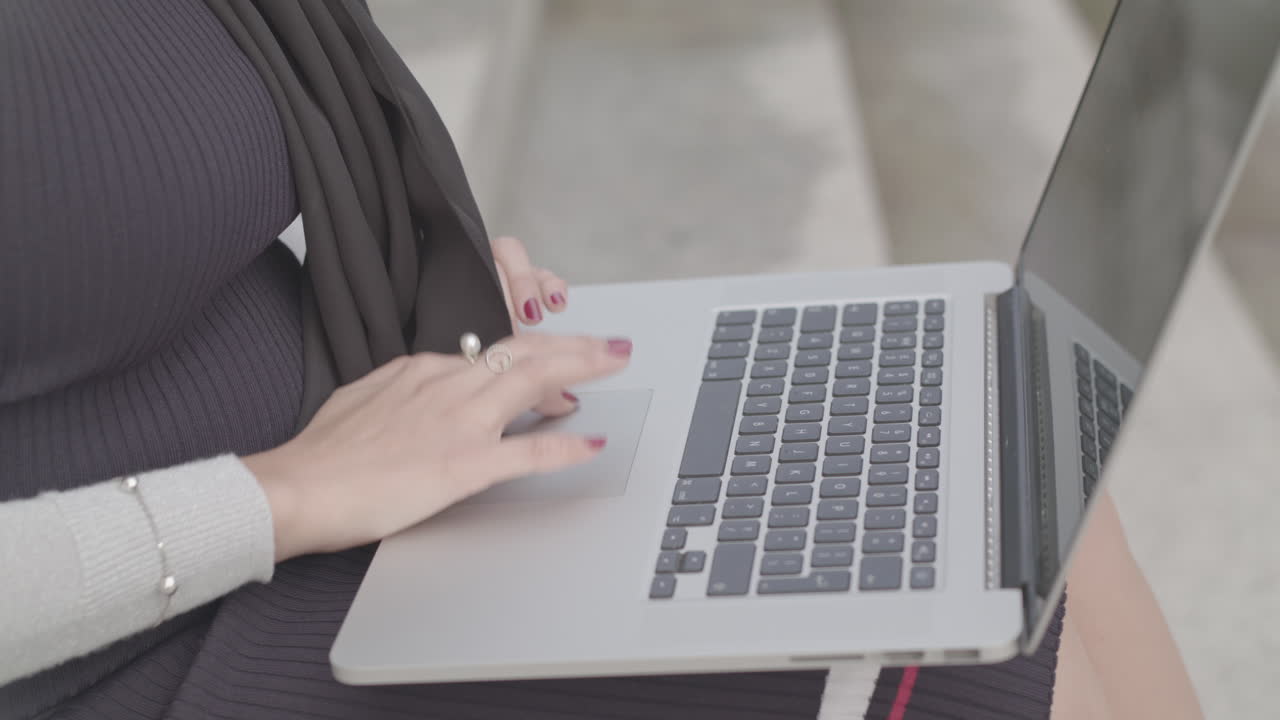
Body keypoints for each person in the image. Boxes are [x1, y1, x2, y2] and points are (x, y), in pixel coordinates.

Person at [0, 1, 1203, 718]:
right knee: (986, 680)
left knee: (1007, 465)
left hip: (335, 455)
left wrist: (418, 283)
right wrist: (286, 495)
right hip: (133, 639)